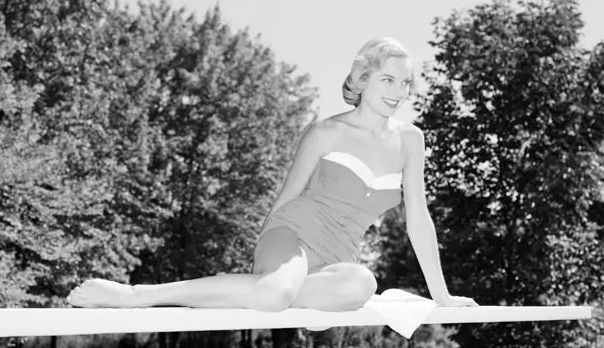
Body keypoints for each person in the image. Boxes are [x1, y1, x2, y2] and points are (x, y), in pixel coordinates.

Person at [66, 37, 478, 312]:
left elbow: (419, 221)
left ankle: (267, 292)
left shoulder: (411, 140)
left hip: (338, 256)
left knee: (362, 285)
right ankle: (138, 296)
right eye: (388, 78)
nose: (398, 91)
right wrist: (269, 257)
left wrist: (442, 297)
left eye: (405, 83)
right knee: (277, 290)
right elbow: (287, 198)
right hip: (292, 234)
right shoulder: (326, 132)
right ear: (363, 77)